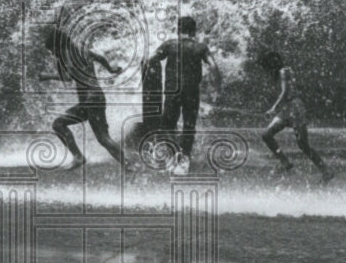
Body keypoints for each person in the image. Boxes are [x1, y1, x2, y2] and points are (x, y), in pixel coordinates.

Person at [41, 24, 129, 170]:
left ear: (58, 46)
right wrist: (110, 69)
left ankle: (78, 157)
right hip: (96, 98)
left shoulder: (67, 55)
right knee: (103, 138)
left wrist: (47, 76)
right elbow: (99, 57)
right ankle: (126, 163)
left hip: (89, 100)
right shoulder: (82, 50)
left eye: (52, 50)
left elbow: (69, 77)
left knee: (59, 124)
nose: (53, 53)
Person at [146, 16, 221, 172]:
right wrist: (216, 88)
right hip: (191, 91)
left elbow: (150, 59)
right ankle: (184, 159)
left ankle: (172, 156)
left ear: (178, 30)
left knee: (168, 125)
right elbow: (213, 66)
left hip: (172, 91)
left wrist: (151, 74)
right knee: (189, 125)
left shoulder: (169, 45)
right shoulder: (200, 47)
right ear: (193, 31)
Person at [258, 50, 333, 182]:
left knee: (303, 145)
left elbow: (285, 92)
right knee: (266, 135)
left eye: (265, 66)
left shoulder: (285, 71)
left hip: (295, 108)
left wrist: (273, 108)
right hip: (286, 109)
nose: (264, 70)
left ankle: (326, 171)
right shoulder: (278, 74)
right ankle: (285, 163)